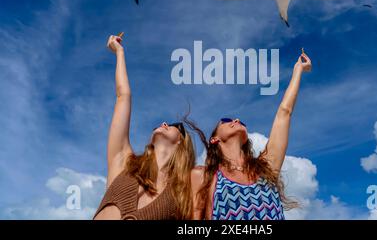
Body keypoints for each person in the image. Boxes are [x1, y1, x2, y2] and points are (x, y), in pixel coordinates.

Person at [191, 49, 312, 220]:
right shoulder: (203, 176)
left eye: (240, 121)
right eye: (226, 120)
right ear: (214, 139)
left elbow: (284, 112)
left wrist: (298, 70)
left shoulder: (266, 168)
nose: (236, 120)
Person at [93, 34, 199, 220]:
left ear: (182, 141)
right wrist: (119, 53)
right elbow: (123, 96)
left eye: (176, 126)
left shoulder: (182, 193)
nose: (164, 123)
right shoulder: (125, 162)